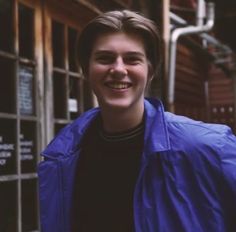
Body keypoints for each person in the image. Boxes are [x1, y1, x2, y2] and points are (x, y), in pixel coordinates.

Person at [38, 9, 236, 232]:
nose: (119, 69)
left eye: (132, 59)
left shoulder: (208, 147)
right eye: (105, 58)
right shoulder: (63, 157)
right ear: (87, 70)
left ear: (150, 71)